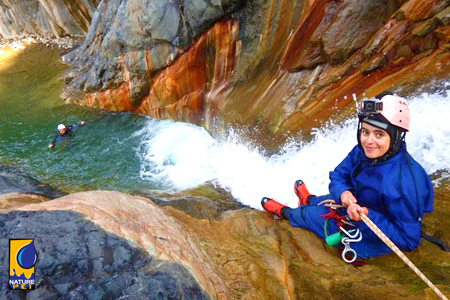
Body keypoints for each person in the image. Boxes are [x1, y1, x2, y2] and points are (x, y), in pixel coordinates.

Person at [261, 92, 434, 259]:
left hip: (370, 232)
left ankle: (286, 212)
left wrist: (366, 217)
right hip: (358, 205)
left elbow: (408, 240)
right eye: (365, 131)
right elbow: (338, 175)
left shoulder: (405, 184)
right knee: (327, 198)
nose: (369, 140)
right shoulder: (364, 151)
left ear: (396, 137)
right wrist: (343, 193)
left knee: (309, 215)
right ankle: (309, 199)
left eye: (379, 134)